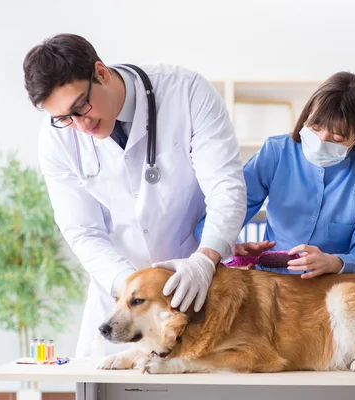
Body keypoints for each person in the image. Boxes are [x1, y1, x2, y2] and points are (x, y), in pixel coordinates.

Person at [23, 33, 246, 357]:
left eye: (80, 106)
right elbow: (83, 230)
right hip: (117, 293)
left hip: (193, 282)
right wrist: (134, 291)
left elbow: (226, 186)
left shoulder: (186, 92)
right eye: (63, 118)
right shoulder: (56, 139)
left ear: (101, 72)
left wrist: (205, 260)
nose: (80, 125)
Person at [197, 71, 355, 278]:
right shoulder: (276, 152)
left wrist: (333, 262)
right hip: (271, 283)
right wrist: (227, 244)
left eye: (337, 138)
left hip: (332, 288)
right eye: (316, 128)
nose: (321, 140)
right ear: (307, 116)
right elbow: (226, 207)